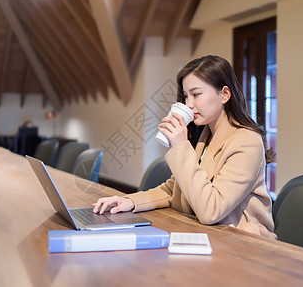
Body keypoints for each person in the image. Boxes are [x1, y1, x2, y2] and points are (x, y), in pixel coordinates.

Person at [93, 55, 276, 239]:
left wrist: (180, 145)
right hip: (209, 235)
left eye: (196, 94)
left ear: (225, 94)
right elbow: (173, 190)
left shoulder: (247, 141)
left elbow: (210, 211)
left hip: (245, 244)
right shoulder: (204, 136)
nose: (189, 104)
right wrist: (129, 201)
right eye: (186, 96)